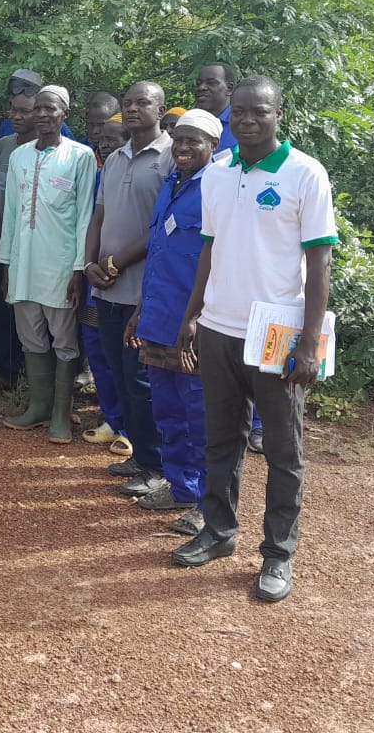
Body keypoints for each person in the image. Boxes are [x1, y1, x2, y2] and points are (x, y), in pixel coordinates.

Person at [171, 76, 337, 603]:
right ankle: (218, 533)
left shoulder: (304, 173)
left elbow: (320, 259)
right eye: (238, 111)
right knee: (221, 439)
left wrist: (309, 342)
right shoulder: (218, 175)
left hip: (277, 334)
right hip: (219, 328)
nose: (246, 119)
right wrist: (192, 314)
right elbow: (209, 249)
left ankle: (277, 555)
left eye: (258, 111)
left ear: (278, 114)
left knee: (285, 451)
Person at [123, 109, 222, 535]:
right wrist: (140, 309)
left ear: (213, 147)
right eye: (178, 139)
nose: (182, 148)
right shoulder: (170, 184)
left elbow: (218, 259)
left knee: (201, 415)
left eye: (193, 141)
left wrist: (198, 316)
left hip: (194, 322)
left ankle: (208, 503)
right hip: (158, 316)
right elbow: (160, 253)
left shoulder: (218, 188)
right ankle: (180, 486)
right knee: (168, 412)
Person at [83, 82, 174, 499]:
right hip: (105, 287)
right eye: (129, 103)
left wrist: (117, 263)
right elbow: (99, 215)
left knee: (142, 380)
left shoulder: (173, 156)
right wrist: (89, 263)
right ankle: (139, 455)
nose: (134, 109)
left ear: (160, 109)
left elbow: (164, 228)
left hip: (144, 289)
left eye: (143, 103)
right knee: (120, 375)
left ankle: (158, 466)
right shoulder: (114, 157)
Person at [0, 86, 96, 443]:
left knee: (64, 341)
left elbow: (85, 215)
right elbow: (10, 214)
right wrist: (6, 263)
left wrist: (78, 269)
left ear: (63, 114)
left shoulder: (80, 156)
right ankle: (39, 407)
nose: (42, 114)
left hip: (59, 266)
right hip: (23, 265)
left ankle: (60, 413)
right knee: (31, 339)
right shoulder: (20, 155)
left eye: (49, 108)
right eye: (37, 108)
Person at [194, 62, 264, 453]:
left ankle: (259, 424)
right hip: (219, 256)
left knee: (256, 355)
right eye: (199, 83)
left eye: (212, 83)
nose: (203, 88)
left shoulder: (241, 137)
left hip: (258, 270)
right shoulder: (205, 128)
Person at [77, 95, 127, 450]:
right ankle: (112, 417)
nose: (102, 138)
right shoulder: (89, 161)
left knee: (131, 356)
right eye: (96, 130)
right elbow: (94, 218)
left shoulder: (152, 165)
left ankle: (134, 426)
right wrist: (88, 264)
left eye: (110, 131)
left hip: (131, 278)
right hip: (94, 276)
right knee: (97, 346)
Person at [0, 86, 38, 391]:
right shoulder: (4, 146)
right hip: (3, 243)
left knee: (31, 308)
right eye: (14, 110)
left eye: (25, 111)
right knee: (0, 307)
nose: (17, 116)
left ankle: (34, 375)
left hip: (37, 245)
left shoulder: (60, 152)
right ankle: (6, 372)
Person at [193, 63, 239, 156]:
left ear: (229, 88)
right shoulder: (190, 124)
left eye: (211, 83)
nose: (201, 87)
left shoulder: (241, 125)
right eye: (198, 83)